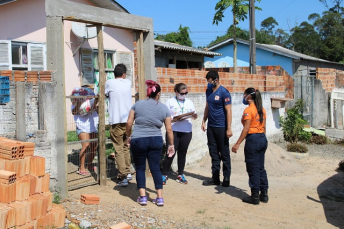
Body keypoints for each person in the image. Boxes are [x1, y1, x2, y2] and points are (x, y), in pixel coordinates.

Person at [126, 80, 174, 207]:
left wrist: (128, 136)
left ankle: (142, 197)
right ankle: (159, 198)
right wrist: (171, 145)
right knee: (156, 168)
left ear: (148, 93)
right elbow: (169, 129)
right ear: (158, 94)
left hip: (138, 139)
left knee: (140, 168)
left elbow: (129, 123)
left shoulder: (137, 104)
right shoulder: (164, 108)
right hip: (155, 140)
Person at [232, 87, 268, 205]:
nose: (243, 97)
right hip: (262, 138)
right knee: (260, 167)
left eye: (244, 95)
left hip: (253, 140)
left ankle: (254, 196)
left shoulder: (248, 110)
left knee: (253, 168)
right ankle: (264, 194)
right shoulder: (262, 109)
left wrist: (237, 144)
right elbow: (264, 127)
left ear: (249, 97)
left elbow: (246, 128)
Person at [201, 70, 232, 187]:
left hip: (221, 127)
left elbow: (228, 110)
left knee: (224, 153)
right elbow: (207, 107)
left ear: (216, 80)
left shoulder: (224, 92)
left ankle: (226, 178)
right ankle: (215, 178)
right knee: (213, 152)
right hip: (211, 127)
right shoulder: (208, 91)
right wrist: (204, 121)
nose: (208, 84)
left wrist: (229, 128)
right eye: (207, 82)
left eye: (210, 82)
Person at [162, 83, 197, 185]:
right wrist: (176, 118)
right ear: (176, 92)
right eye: (182, 93)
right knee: (170, 153)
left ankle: (180, 174)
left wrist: (193, 116)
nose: (184, 95)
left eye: (186, 93)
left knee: (182, 153)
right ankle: (164, 174)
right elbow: (166, 118)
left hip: (186, 131)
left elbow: (194, 115)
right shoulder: (170, 102)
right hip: (174, 131)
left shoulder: (189, 102)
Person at [105, 63, 132, 187]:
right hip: (128, 121)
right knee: (126, 146)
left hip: (116, 120)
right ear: (124, 74)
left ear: (113, 74)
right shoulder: (128, 82)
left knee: (119, 148)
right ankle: (127, 171)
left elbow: (105, 94)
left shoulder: (109, 83)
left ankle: (123, 176)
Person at [71, 85, 98, 176]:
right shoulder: (75, 101)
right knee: (86, 145)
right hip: (82, 126)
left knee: (94, 147)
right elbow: (74, 112)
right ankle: (81, 167)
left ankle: (89, 165)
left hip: (92, 125)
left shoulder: (92, 101)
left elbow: (96, 108)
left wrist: (97, 99)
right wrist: (79, 102)